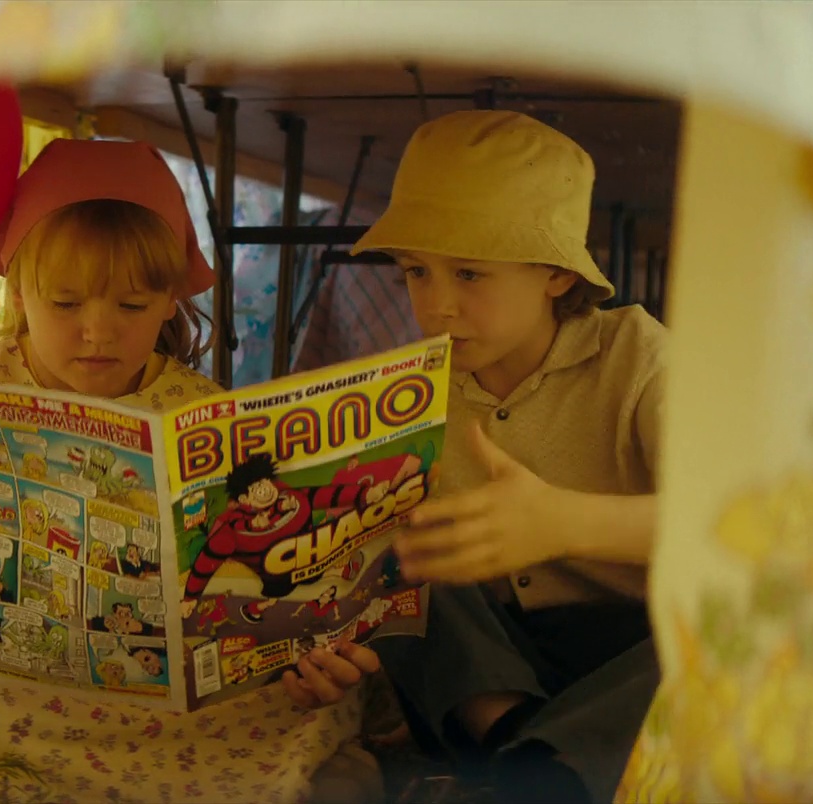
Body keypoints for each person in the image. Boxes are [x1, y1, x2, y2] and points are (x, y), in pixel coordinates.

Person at [0, 138, 376, 803]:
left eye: (131, 306)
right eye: (65, 302)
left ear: (170, 300)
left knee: (319, 710)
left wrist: (304, 650)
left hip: (154, 716)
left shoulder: (209, 420)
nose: (98, 332)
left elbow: (268, 592)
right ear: (17, 292)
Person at [278, 111, 664, 804]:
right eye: (416, 272)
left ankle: (522, 772)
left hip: (626, 654)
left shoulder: (638, 357)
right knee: (403, 554)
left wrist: (565, 523)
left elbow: (736, 522)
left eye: (469, 273)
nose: (438, 306)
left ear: (555, 274)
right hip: (487, 680)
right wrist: (325, 647)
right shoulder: (400, 396)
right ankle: (527, 760)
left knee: (721, 628)